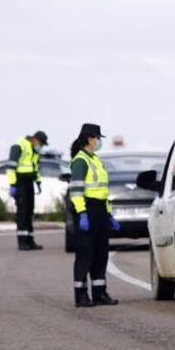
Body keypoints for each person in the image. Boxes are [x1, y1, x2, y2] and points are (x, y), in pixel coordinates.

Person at [68, 123, 120, 308]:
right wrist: (82, 213)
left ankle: (100, 293)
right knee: (85, 253)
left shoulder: (95, 160)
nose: (99, 141)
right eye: (98, 138)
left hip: (99, 211)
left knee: (101, 253)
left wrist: (108, 214)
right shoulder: (80, 160)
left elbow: (102, 191)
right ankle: (81, 295)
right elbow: (76, 190)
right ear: (90, 138)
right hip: (87, 209)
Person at [7, 130, 48, 250]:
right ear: (35, 139)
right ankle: (22, 242)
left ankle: (30, 241)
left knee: (29, 212)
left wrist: (38, 182)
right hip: (20, 183)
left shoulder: (34, 151)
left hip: (29, 183)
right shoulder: (18, 146)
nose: (41, 146)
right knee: (22, 213)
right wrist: (13, 184)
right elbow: (10, 167)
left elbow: (35, 169)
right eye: (41, 143)